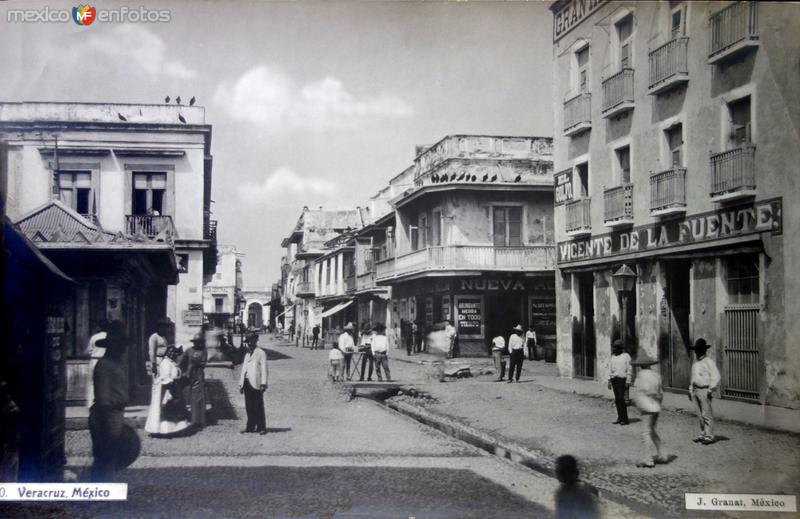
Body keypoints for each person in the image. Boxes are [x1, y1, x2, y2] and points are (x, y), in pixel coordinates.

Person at [89, 320, 129, 482]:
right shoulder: (104, 366)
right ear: (112, 346)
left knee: (110, 457)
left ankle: (106, 488)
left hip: (115, 414)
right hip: (106, 415)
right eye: (120, 345)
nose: (123, 349)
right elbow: (103, 399)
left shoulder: (117, 363)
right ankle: (100, 491)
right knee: (104, 455)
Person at [145, 345, 191, 437]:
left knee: (175, 409)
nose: (172, 354)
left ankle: (175, 429)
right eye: (170, 352)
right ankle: (165, 430)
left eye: (174, 352)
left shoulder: (172, 363)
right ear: (167, 353)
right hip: (168, 387)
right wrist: (169, 391)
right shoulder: (166, 363)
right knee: (167, 408)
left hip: (175, 387)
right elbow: (166, 378)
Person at [632, 355, 668, 468]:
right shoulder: (656, 375)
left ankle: (648, 459)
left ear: (640, 366)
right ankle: (663, 455)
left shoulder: (641, 376)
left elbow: (640, 390)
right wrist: (658, 403)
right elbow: (661, 392)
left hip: (646, 405)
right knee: (652, 430)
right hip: (656, 405)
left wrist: (636, 403)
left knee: (646, 433)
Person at [689, 338, 721, 445]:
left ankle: (709, 435)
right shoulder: (695, 364)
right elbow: (693, 378)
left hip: (704, 389)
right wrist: (690, 390)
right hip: (695, 390)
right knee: (699, 414)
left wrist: (710, 389)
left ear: (704, 350)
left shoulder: (709, 362)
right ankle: (702, 433)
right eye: (696, 350)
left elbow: (716, 376)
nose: (697, 352)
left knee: (706, 413)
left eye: (700, 349)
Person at [239, 332, 268, 434]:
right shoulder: (247, 354)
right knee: (249, 406)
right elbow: (244, 369)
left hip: (256, 382)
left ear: (255, 341)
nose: (250, 344)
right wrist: (241, 383)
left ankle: (261, 427)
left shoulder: (261, 353)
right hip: (247, 382)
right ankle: (250, 426)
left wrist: (263, 383)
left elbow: (264, 369)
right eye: (248, 342)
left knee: (258, 405)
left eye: (251, 341)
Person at [554, 454, 599, 519]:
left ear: (576, 473)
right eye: (559, 471)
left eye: (562, 472)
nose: (558, 473)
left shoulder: (564, 493)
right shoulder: (562, 492)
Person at [185, 332, 208, 427]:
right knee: (191, 397)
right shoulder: (189, 350)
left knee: (200, 397)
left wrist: (195, 364)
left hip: (198, 374)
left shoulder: (204, 351)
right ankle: (193, 419)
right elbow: (183, 359)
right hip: (190, 374)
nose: (197, 344)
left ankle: (201, 420)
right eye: (196, 342)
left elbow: (203, 363)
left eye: (199, 342)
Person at [607, 339, 632, 425]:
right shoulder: (613, 357)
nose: (614, 349)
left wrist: (628, 381)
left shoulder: (626, 356)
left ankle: (625, 419)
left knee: (621, 399)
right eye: (614, 347)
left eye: (616, 348)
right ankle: (619, 417)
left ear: (620, 348)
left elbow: (629, 369)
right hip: (615, 380)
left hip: (622, 380)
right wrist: (609, 380)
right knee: (617, 400)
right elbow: (610, 369)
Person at [86, 320, 108, 407]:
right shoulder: (109, 337)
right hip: (105, 361)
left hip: (94, 361)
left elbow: (89, 350)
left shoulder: (94, 337)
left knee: (92, 382)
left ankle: (91, 403)